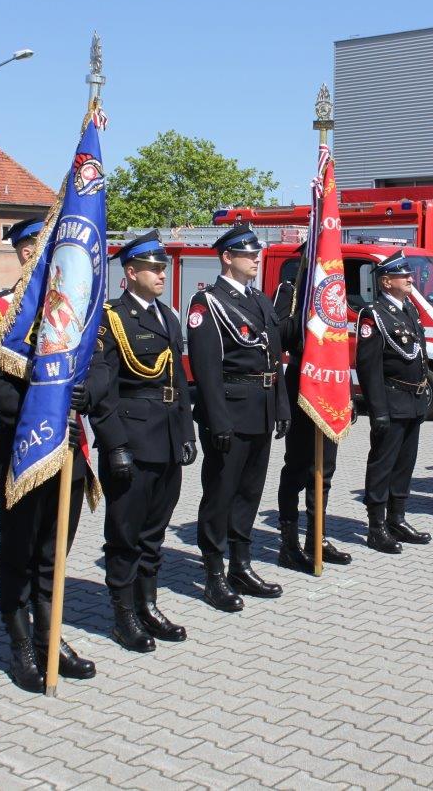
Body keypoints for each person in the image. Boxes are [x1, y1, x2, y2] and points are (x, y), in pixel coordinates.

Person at [0, 218, 98, 692]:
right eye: (30, 247)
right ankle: (20, 641)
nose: (36, 253)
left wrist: (87, 395)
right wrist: (41, 419)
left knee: (54, 552)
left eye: (44, 245)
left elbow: (100, 366)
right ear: (22, 254)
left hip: (70, 452)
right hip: (23, 452)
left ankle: (50, 636)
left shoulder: (77, 308)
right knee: (18, 552)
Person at [89, 230, 196, 652]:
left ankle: (147, 604)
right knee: (125, 533)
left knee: (154, 532)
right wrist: (114, 444)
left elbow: (178, 382)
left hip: (166, 438)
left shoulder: (167, 316)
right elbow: (102, 389)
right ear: (131, 272)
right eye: (152, 268)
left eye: (162, 267)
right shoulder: (111, 318)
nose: (161, 274)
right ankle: (123, 615)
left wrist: (186, 433)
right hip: (132, 439)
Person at [187, 224, 290, 611]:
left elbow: (273, 359)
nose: (255, 259)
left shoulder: (260, 300)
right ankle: (214, 573)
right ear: (227, 258)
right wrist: (218, 420)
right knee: (220, 494)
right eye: (247, 254)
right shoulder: (208, 302)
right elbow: (206, 368)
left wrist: (281, 405)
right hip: (230, 410)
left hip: (261, 408)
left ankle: (240, 566)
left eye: (255, 253)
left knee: (249, 493)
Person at [272, 255, 351, 573]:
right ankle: (289, 544)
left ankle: (316, 538)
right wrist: (307, 314)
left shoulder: (334, 290)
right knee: (298, 467)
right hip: (302, 384)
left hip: (330, 384)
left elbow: (338, 346)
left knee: (325, 469)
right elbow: (278, 335)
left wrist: (346, 395)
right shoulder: (289, 291)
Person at [355, 251, 433, 552]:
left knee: (405, 464)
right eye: (403, 275)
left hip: (413, 400)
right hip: (391, 400)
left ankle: (397, 518)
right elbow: (369, 367)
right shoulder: (373, 314)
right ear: (386, 282)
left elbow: (418, 353)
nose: (410, 278)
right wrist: (378, 411)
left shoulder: (409, 309)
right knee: (383, 465)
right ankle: (376, 526)